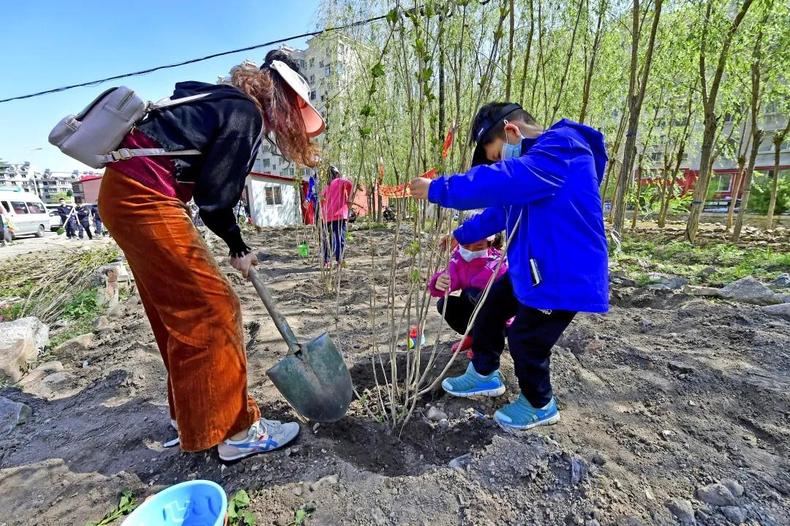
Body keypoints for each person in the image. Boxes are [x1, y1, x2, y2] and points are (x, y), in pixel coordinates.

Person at [97, 49, 325, 461]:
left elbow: (209, 190)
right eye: (294, 110)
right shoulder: (245, 114)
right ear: (281, 100)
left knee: (176, 313)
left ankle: (191, 417)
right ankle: (237, 431)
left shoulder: (217, 100)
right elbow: (215, 201)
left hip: (121, 196)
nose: (291, 124)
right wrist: (237, 246)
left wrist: (236, 244)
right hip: (147, 199)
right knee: (214, 310)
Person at [409, 102, 608, 432]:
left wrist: (439, 188)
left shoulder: (563, 147)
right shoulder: (535, 168)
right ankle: (485, 372)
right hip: (533, 269)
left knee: (526, 338)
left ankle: (539, 403)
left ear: (512, 132)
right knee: (490, 304)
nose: (498, 163)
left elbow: (504, 181)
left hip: (563, 274)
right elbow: (498, 213)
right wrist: (459, 235)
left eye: (496, 155)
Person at [427, 231, 507, 356]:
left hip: (498, 321)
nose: (471, 250)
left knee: (471, 293)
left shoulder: (499, 265)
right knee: (444, 304)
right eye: (466, 246)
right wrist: (439, 282)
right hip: (475, 314)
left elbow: (508, 301)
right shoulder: (459, 260)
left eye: (478, 247)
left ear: (490, 244)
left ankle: (484, 342)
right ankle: (472, 336)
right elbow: (450, 279)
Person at [320, 165, 353, 266]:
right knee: (339, 238)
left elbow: (321, 200)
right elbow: (351, 185)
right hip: (339, 215)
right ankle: (339, 260)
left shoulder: (326, 186)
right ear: (337, 174)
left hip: (327, 216)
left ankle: (326, 261)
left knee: (328, 239)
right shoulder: (341, 181)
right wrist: (349, 198)